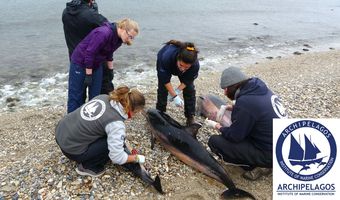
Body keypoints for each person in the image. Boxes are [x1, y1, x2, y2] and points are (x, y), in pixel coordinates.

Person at [204, 66, 288, 181]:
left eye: (226, 89)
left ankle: (261, 166)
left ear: (234, 87)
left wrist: (217, 126)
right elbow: (257, 110)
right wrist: (234, 108)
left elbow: (234, 136)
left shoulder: (246, 102)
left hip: (272, 154)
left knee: (215, 141)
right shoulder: (260, 89)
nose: (224, 92)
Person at [55, 85, 146, 177]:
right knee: (110, 144)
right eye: (136, 112)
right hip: (71, 150)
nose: (135, 115)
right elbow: (117, 157)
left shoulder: (103, 97)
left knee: (109, 135)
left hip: (60, 134)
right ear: (129, 109)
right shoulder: (116, 124)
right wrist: (136, 158)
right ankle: (87, 167)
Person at [67, 18, 139, 113]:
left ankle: (91, 119)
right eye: (130, 36)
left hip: (96, 64)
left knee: (96, 96)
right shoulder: (104, 33)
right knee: (76, 96)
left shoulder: (119, 39)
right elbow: (89, 53)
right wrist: (89, 74)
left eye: (132, 38)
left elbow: (109, 52)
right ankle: (72, 122)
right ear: (122, 28)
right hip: (80, 63)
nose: (129, 40)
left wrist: (110, 70)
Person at [156, 40, 200, 125]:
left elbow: (188, 80)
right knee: (162, 88)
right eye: (181, 65)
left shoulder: (195, 65)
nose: (182, 69)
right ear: (178, 58)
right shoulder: (166, 57)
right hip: (166, 63)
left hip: (181, 66)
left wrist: (177, 91)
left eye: (186, 67)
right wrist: (174, 96)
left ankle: (190, 116)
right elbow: (165, 79)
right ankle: (160, 112)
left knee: (190, 89)